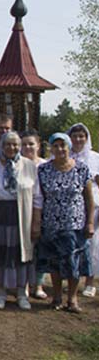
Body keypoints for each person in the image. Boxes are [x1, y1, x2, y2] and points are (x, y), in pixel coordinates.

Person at [33, 133, 94, 313]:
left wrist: (90, 222)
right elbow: (39, 198)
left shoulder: (81, 169)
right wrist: (37, 222)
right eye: (56, 146)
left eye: (63, 145)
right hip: (51, 225)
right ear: (51, 148)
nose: (60, 149)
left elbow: (89, 199)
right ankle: (57, 297)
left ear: (69, 147)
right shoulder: (43, 170)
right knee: (54, 263)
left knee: (74, 263)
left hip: (75, 226)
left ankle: (72, 299)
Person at [0, 132, 37, 310]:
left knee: (21, 255)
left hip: (22, 216)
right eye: (8, 144)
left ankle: (21, 293)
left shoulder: (28, 165)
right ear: (1, 146)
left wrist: (36, 221)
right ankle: (0, 292)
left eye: (15, 144)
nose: (11, 148)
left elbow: (37, 197)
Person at [67, 123, 99, 297]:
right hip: (71, 207)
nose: (78, 139)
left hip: (92, 205)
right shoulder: (65, 155)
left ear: (86, 138)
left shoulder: (95, 158)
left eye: (81, 136)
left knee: (91, 245)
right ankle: (73, 279)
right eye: (75, 136)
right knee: (73, 245)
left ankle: (90, 282)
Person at [20, 129, 48, 300]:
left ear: (38, 145)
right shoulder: (18, 165)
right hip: (23, 212)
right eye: (24, 144)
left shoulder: (45, 165)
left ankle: (38, 284)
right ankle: (23, 284)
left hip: (45, 213)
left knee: (40, 250)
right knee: (25, 250)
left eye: (31, 144)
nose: (28, 147)